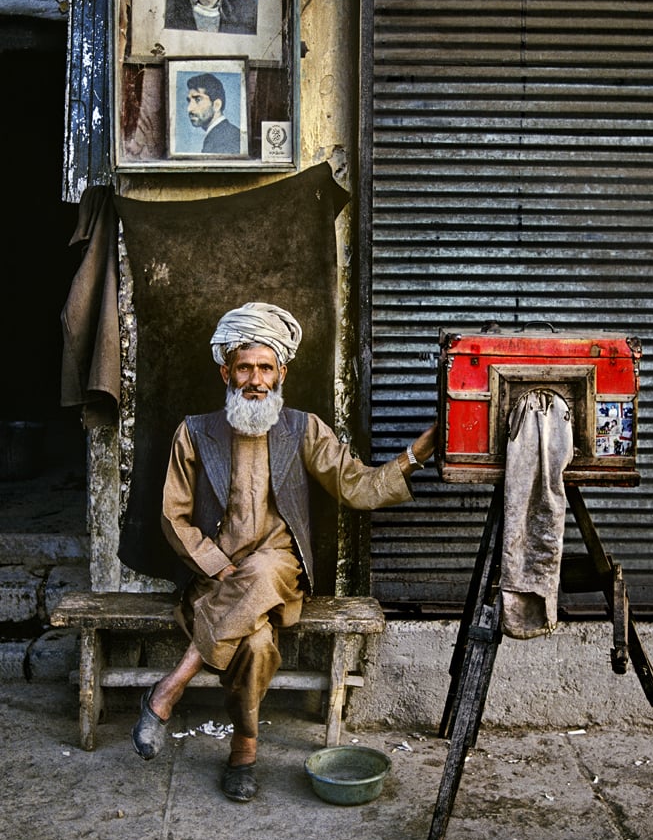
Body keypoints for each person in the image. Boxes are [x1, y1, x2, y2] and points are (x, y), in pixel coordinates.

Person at [131, 302, 438, 803]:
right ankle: (244, 753)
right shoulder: (194, 431)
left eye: (266, 367)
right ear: (225, 371)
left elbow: (357, 487)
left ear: (282, 373)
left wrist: (413, 456)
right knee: (254, 646)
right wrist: (217, 564)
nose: (255, 379)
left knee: (268, 564)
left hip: (281, 579)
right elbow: (173, 517)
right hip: (217, 584)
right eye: (245, 367)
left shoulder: (303, 429)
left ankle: (169, 688)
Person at [185, 72, 242, 154]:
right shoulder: (223, 135)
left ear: (216, 105)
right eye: (189, 101)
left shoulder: (225, 140)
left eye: (198, 99)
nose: (189, 109)